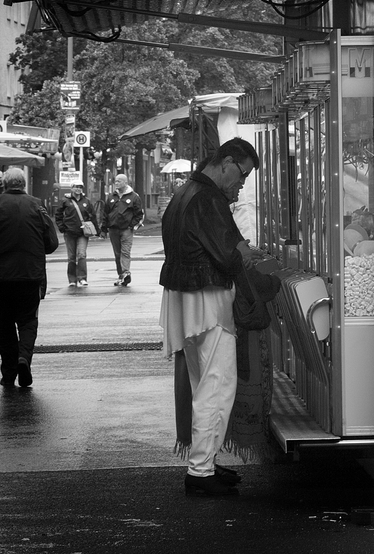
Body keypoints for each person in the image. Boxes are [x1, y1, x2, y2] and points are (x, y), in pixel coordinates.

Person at [159, 137, 260, 497]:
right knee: (216, 386)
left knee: (204, 382)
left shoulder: (186, 191)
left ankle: (205, 463)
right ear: (227, 162)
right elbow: (231, 254)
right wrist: (254, 261)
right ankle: (200, 471)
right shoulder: (209, 198)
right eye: (242, 175)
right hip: (206, 297)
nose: (241, 184)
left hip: (183, 294)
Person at [0, 167, 58, 387]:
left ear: (5, 184)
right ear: (24, 184)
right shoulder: (38, 205)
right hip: (31, 273)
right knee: (28, 321)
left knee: (5, 323)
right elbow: (52, 243)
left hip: (1, 276)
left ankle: (9, 372)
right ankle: (23, 358)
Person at [100, 173, 144, 286]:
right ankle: (121, 276)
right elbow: (105, 213)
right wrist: (103, 229)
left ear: (125, 182)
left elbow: (139, 214)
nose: (116, 183)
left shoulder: (134, 197)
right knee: (117, 254)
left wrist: (132, 225)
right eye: (116, 181)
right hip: (113, 229)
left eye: (119, 181)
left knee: (125, 252)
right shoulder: (111, 197)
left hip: (126, 230)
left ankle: (126, 273)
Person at [55, 182, 99, 287]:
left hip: (83, 233)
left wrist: (97, 230)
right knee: (71, 257)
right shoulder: (65, 201)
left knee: (82, 255)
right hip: (69, 232)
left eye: (80, 187)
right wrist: (62, 227)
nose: (78, 189)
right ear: (72, 188)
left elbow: (92, 216)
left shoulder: (86, 201)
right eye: (76, 187)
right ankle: (72, 280)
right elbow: (58, 214)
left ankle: (82, 278)